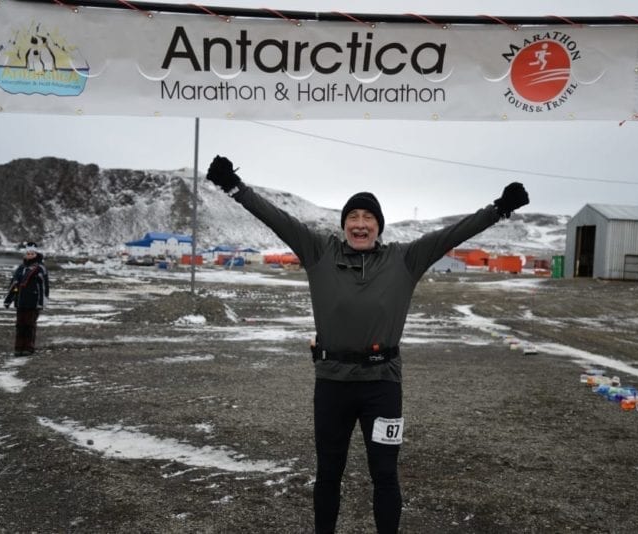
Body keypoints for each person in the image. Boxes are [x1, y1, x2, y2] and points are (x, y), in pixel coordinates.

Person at [205, 155, 529, 534]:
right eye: (353, 218)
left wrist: (499, 209)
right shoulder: (319, 252)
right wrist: (235, 188)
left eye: (368, 218)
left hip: (382, 386)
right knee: (328, 473)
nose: (360, 224)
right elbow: (277, 218)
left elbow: (452, 234)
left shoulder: (404, 259)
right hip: (332, 384)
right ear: (344, 226)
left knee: (385, 475)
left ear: (378, 225)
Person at [4, 242, 50, 356]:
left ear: (36, 254)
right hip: (20, 301)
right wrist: (8, 300)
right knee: (20, 325)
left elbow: (44, 287)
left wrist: (43, 302)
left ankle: (28, 347)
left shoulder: (40, 269)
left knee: (30, 325)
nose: (29, 255)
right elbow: (14, 285)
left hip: (33, 302)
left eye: (32, 253)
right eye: (28, 253)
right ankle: (18, 347)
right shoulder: (21, 268)